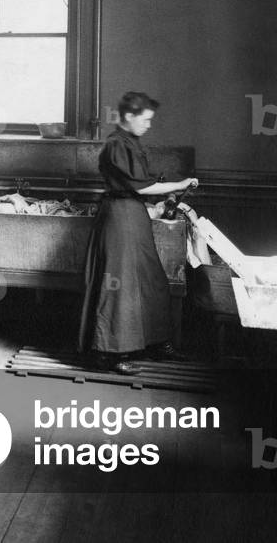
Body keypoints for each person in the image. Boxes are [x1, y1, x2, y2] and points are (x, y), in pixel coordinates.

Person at [78, 92, 199, 375]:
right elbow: (141, 187)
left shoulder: (130, 142)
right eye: (145, 120)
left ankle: (156, 343)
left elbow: (140, 187)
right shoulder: (116, 145)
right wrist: (179, 183)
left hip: (133, 216)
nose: (148, 125)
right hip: (120, 219)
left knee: (151, 280)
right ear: (129, 116)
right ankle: (111, 352)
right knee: (119, 286)